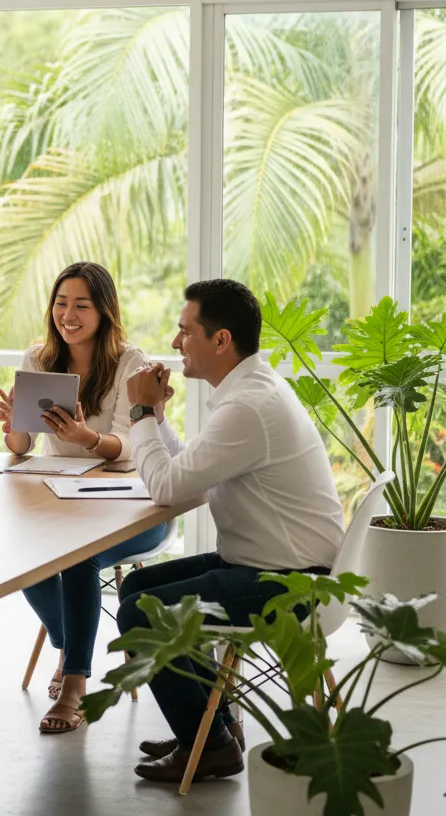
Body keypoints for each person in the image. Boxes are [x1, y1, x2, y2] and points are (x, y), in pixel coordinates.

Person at [117, 278, 345, 785]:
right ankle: (209, 729)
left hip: (289, 583)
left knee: (139, 611)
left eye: (184, 331)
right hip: (266, 564)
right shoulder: (250, 391)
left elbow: (167, 487)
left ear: (220, 340)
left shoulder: (247, 407)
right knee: (135, 587)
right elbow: (189, 475)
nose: (175, 343)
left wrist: (136, 413)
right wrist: (155, 416)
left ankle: (214, 747)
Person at [0, 261, 171, 734]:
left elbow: (131, 445)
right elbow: (23, 446)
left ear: (104, 312)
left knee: (76, 559)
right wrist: (13, 428)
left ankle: (74, 680)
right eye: (61, 303)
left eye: (81, 306)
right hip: (61, 498)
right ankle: (72, 647)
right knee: (26, 556)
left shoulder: (130, 362)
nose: (67, 315)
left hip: (134, 504)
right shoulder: (38, 358)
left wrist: (88, 438)